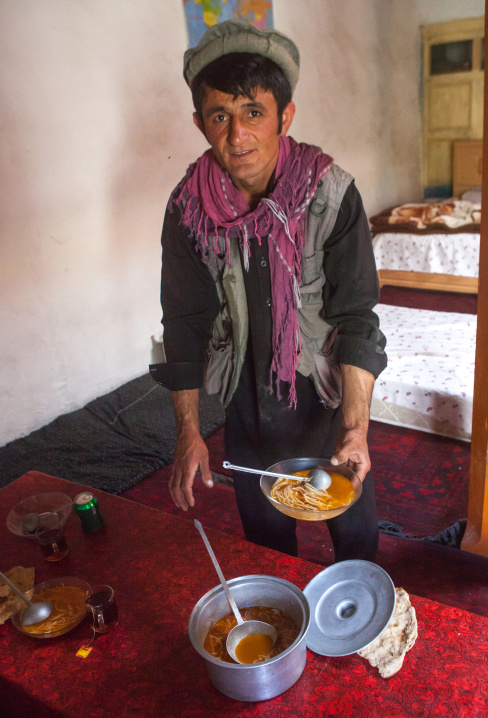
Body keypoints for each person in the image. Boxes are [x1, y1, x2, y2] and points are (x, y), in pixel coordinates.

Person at [150, 21, 387, 562]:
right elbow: (184, 323)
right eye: (220, 116)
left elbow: (356, 318)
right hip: (246, 407)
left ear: (285, 115)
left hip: (328, 403)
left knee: (356, 543)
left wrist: (355, 430)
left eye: (253, 112)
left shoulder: (332, 195)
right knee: (267, 550)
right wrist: (188, 431)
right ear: (200, 123)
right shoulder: (188, 211)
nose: (238, 136)